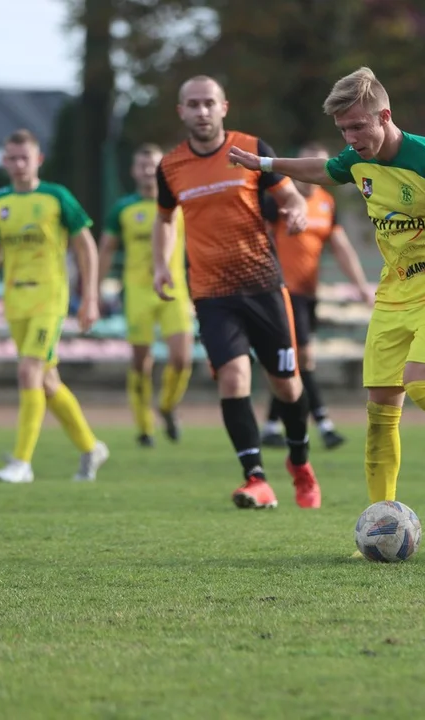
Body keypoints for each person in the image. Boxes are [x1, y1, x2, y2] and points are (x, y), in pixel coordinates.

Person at [228, 66, 425, 526]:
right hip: (394, 294)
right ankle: (382, 520)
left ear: (385, 115)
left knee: (423, 382)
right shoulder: (355, 159)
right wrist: (264, 165)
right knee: (380, 412)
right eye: (343, 129)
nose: (351, 137)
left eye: (358, 126)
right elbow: (323, 171)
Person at [152, 76, 321, 510]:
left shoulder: (250, 149)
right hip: (211, 293)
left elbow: (292, 198)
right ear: (182, 112)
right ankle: (256, 478)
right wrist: (160, 265)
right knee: (233, 377)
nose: (202, 111)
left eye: (209, 103)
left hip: (264, 286)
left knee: (286, 385)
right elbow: (166, 220)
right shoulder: (170, 167)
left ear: (223, 107)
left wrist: (297, 213)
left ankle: (300, 466)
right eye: (193, 104)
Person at [0, 129, 110, 483]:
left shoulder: (56, 196)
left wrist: (90, 296)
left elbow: (86, 245)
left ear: (38, 160)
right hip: (15, 300)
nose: (18, 165)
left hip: (50, 297)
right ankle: (91, 447)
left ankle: (21, 463)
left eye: (24, 158)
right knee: (46, 382)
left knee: (28, 372)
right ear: (4, 161)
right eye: (12, 158)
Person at [259, 141, 375, 451]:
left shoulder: (326, 202)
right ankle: (324, 424)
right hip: (282, 291)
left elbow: (341, 248)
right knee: (304, 359)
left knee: (293, 361)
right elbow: (261, 239)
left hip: (308, 295)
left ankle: (271, 426)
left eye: (322, 165)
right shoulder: (280, 201)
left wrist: (362, 286)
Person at [99, 143, 194, 447]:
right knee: (142, 363)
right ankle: (144, 426)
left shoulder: (179, 203)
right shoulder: (123, 209)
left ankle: (167, 406)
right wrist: (96, 290)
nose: (147, 171)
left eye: (152, 164)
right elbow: (106, 249)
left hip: (174, 291)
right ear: (133, 171)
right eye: (141, 165)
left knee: (182, 359)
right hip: (138, 292)